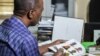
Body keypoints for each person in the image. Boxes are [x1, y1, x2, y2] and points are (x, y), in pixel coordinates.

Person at [0, 0, 66, 56]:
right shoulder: (27, 39)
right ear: (31, 13)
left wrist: (51, 45)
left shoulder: (4, 25)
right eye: (41, 11)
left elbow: (24, 50)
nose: (41, 15)